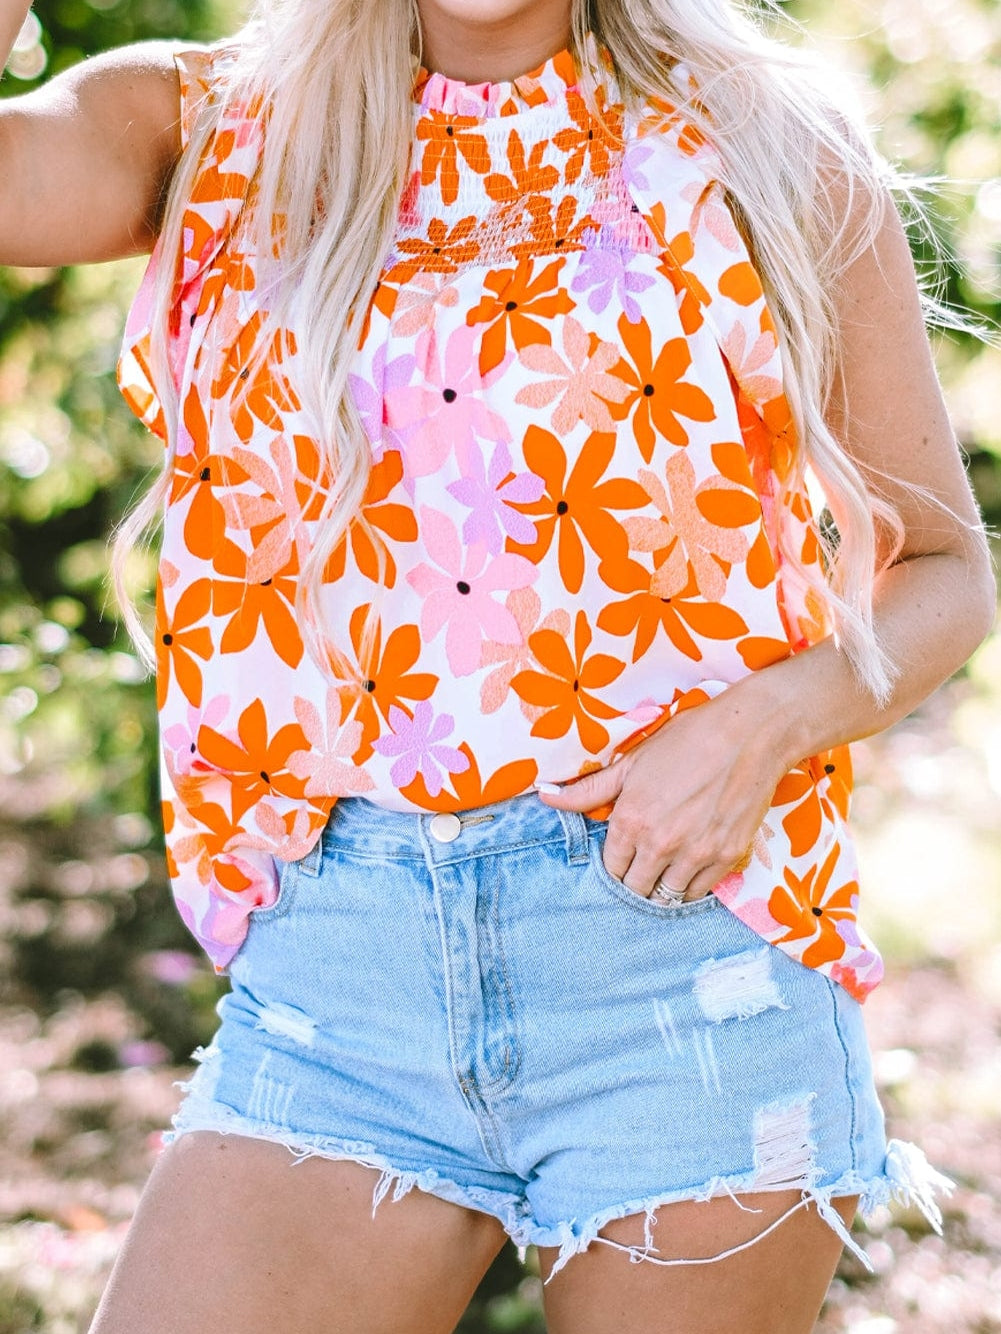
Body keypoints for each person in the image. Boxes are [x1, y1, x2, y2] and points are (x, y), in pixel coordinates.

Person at [1, 0, 995, 1329]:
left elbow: (941, 567)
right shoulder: (208, 124)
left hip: (680, 950)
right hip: (344, 974)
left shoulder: (764, 140)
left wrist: (763, 722)